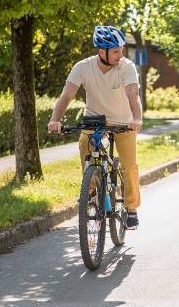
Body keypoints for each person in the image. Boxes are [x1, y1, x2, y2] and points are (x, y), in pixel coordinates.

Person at [48, 25, 142, 229]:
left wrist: (137, 119)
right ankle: (90, 190)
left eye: (121, 50)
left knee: (129, 165)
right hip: (94, 120)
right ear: (102, 51)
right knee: (84, 144)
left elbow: (133, 95)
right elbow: (66, 96)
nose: (121, 54)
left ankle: (131, 207)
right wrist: (55, 119)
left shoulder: (126, 67)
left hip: (124, 122)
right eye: (116, 51)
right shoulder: (83, 67)